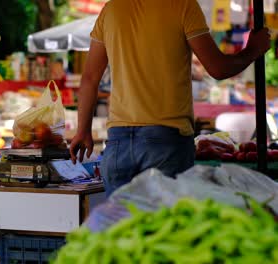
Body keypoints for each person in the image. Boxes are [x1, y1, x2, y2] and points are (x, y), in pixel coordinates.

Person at [69, 0, 270, 196]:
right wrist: (252, 50)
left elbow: (89, 79)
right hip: (165, 143)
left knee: (121, 227)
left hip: (118, 144)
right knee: (166, 226)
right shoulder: (182, 5)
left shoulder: (112, 9)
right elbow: (218, 68)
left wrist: (83, 130)